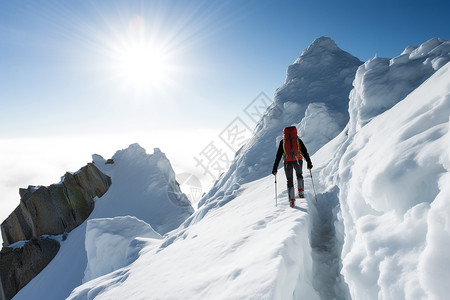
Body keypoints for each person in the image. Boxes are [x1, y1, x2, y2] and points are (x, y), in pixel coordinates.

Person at [272, 126, 313, 207]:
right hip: (298, 160)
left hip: (287, 162)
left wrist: (275, 168)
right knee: (299, 175)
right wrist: (309, 162)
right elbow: (305, 152)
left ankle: (291, 200)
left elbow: (278, 156)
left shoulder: (283, 142)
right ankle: (301, 191)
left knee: (289, 180)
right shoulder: (298, 140)